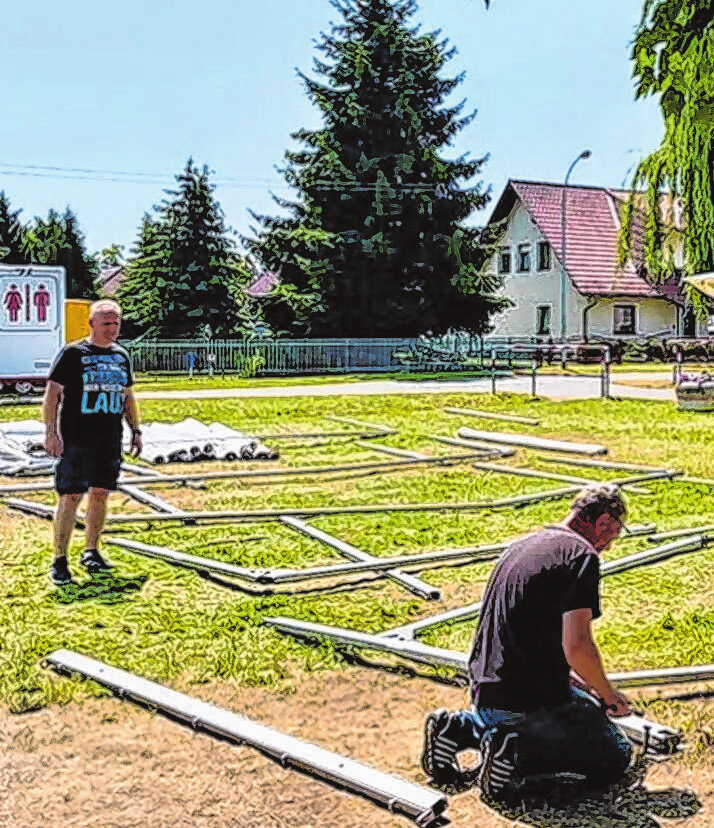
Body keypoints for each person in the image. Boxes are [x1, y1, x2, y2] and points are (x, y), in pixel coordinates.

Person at [421, 484, 633, 800]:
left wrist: (577, 681)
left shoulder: (523, 546)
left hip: (487, 693)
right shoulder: (580, 556)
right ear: (603, 522)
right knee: (616, 755)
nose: (607, 547)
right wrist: (609, 694)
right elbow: (577, 646)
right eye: (611, 536)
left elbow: (527, 634)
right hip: (528, 702)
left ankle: (460, 729)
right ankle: (516, 753)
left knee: (580, 707)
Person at [43, 299, 143, 585]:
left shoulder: (121, 356)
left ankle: (92, 551)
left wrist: (136, 430)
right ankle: (60, 560)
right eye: (106, 323)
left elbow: (127, 396)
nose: (112, 329)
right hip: (76, 439)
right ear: (92, 324)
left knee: (100, 493)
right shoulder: (73, 354)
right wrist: (51, 433)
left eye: (116, 323)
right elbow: (52, 396)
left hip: (109, 438)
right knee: (71, 496)